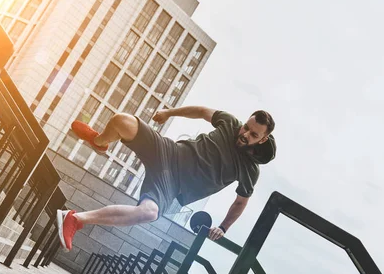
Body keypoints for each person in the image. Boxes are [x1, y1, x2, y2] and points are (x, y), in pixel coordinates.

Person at [56, 106, 276, 250]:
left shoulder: (250, 170)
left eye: (253, 135)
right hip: (168, 152)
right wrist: (169, 113)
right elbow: (200, 111)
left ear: (263, 139)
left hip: (171, 186)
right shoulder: (229, 123)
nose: (245, 135)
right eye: (246, 127)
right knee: (122, 121)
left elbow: (240, 202)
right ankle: (100, 141)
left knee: (148, 213)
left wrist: (224, 227)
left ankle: (74, 219)